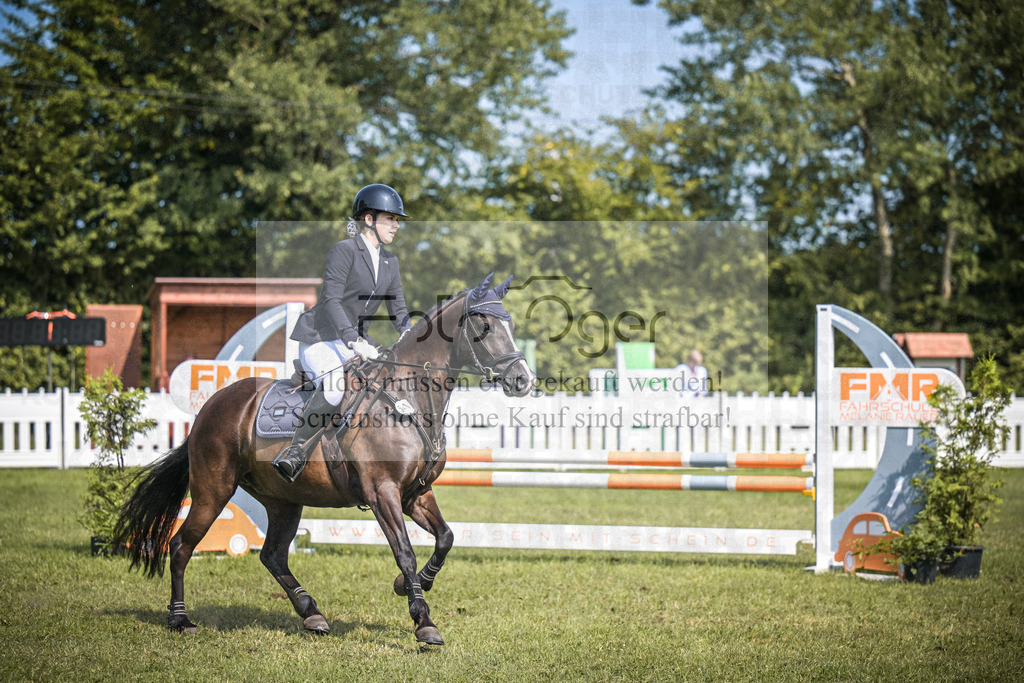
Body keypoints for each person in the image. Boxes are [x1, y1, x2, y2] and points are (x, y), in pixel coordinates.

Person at [273, 183, 413, 482]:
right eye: (391, 218)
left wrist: (410, 335)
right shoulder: (344, 251)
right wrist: (352, 339)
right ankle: (295, 452)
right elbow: (331, 300)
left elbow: (398, 308)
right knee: (335, 386)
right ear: (369, 220)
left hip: (356, 344)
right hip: (321, 339)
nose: (396, 225)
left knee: (384, 385)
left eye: (397, 220)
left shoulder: (390, 262)